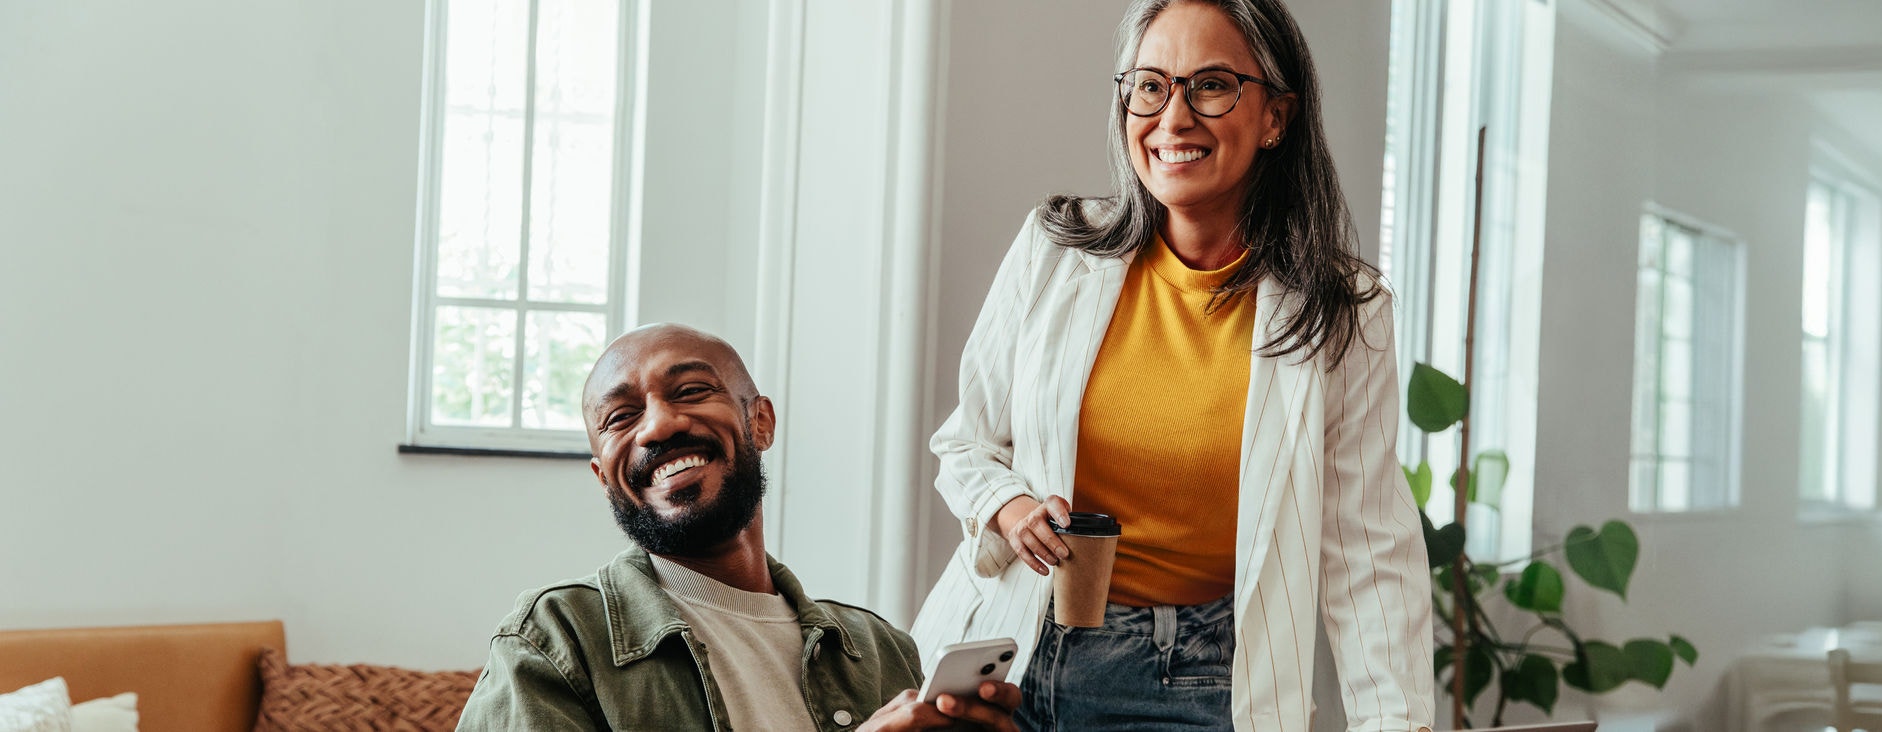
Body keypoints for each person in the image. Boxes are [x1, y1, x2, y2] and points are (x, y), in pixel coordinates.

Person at [909, 0, 1433, 730]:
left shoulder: (1344, 310)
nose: (1174, 118)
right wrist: (1012, 506)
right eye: (1150, 86)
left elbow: (1370, 556)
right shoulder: (1056, 250)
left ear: (1276, 117)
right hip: (1016, 656)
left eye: (1211, 85)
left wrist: (1395, 723)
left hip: (1204, 681)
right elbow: (966, 443)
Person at [458, 324, 1022, 731]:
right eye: (620, 417)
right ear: (603, 475)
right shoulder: (554, 641)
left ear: (761, 421)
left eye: (691, 391)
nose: (659, 425)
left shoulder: (880, 651)